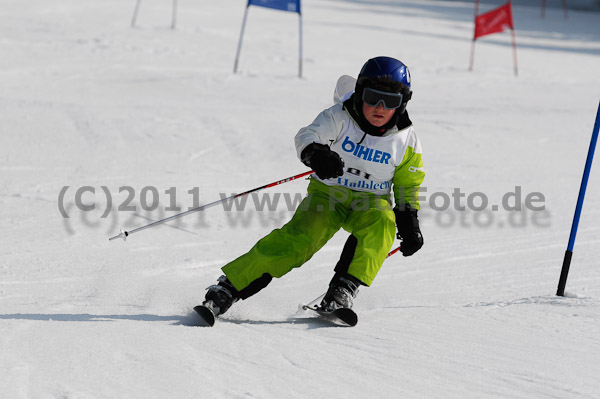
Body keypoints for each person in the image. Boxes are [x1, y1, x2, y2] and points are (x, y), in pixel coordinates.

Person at [202, 56, 425, 316]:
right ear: (360, 93)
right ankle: (229, 288)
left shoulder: (406, 140)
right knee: (299, 240)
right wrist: (316, 154)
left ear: (402, 104)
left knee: (381, 226)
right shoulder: (340, 117)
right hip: (328, 195)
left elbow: (408, 182)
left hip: (371, 201)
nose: (380, 107)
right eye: (373, 97)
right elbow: (307, 135)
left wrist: (409, 219)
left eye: (391, 102)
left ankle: (342, 290)